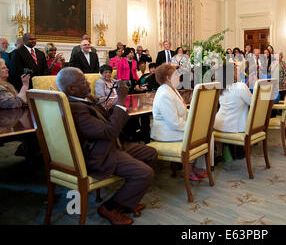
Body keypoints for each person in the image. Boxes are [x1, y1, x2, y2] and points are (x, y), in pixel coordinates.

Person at [56, 67, 157, 225]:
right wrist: (122, 101)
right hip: (100, 154)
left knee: (150, 153)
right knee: (144, 173)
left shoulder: (86, 99)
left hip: (112, 144)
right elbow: (109, 131)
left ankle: (126, 199)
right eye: (83, 81)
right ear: (71, 89)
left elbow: (110, 125)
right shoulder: (76, 109)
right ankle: (109, 207)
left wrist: (115, 105)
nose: (88, 83)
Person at [150, 63, 208, 180]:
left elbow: (183, 110)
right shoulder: (164, 94)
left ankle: (197, 166)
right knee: (196, 134)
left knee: (202, 132)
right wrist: (192, 125)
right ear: (168, 77)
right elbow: (174, 122)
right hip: (166, 131)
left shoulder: (172, 90)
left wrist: (194, 118)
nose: (179, 77)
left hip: (174, 127)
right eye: (176, 75)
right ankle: (188, 168)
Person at [214, 66, 252, 161]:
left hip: (218, 125)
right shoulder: (240, 86)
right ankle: (236, 150)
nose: (239, 73)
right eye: (236, 71)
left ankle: (219, 153)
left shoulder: (220, 87)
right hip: (235, 127)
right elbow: (253, 103)